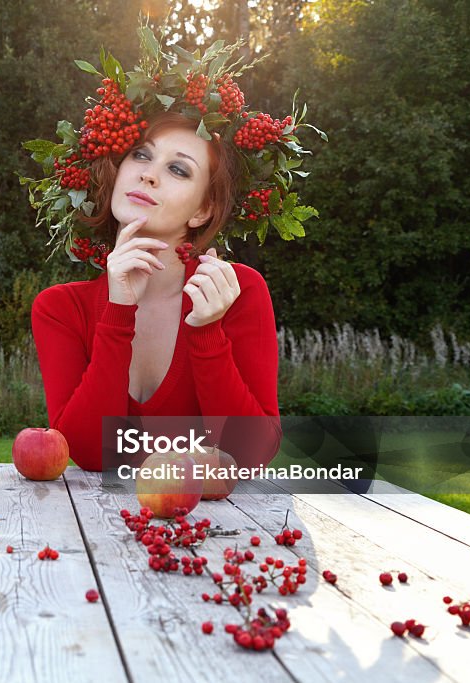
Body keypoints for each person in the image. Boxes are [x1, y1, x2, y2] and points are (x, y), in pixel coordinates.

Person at [31, 112, 282, 471]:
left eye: (178, 170)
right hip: (90, 524)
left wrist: (208, 333)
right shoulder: (59, 308)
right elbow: (89, 452)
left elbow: (250, 454)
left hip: (213, 524)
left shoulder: (236, 292)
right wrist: (118, 312)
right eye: (141, 155)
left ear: (202, 210)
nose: (148, 174)